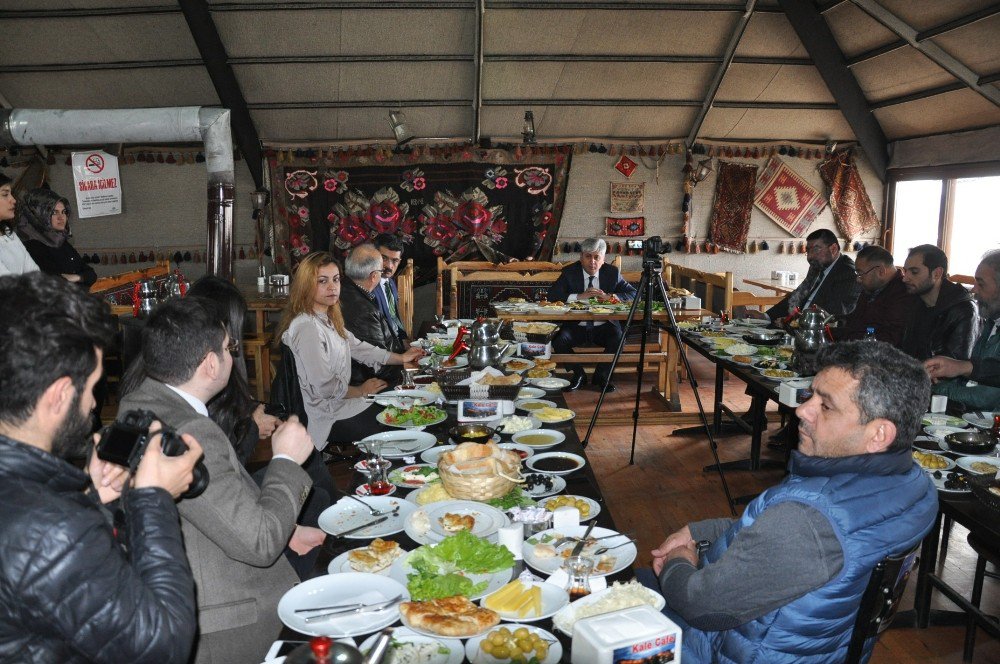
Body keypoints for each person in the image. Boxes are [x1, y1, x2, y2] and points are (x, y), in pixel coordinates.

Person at [642, 341, 938, 663]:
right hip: (820, 649)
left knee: (604, 593)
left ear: (879, 435)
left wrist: (679, 560)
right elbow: (787, 542)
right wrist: (701, 532)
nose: (801, 410)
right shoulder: (917, 488)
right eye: (812, 394)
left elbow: (701, 606)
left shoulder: (806, 522)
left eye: (826, 406)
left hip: (727, 650)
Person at [0, 272, 201, 662]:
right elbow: (164, 645)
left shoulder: (39, 512)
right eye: (92, 387)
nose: (94, 404)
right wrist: (152, 499)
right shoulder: (49, 529)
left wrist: (95, 502)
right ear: (59, 394)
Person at [118, 296, 324, 664]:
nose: (235, 354)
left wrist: (288, 529)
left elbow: (209, 506)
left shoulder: (140, 404)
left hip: (193, 590)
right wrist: (286, 461)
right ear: (211, 364)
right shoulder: (192, 430)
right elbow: (260, 543)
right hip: (232, 624)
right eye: (230, 347)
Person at [275, 251, 423, 447]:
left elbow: (360, 348)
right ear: (305, 285)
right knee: (402, 418)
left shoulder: (327, 318)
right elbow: (325, 387)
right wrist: (361, 390)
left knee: (404, 403)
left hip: (341, 404)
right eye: (322, 281)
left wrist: (401, 358)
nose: (332, 287)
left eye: (336, 280)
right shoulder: (307, 327)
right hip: (328, 416)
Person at [548, 238, 637, 392]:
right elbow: (552, 296)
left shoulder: (612, 273)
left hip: (603, 325)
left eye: (597, 257)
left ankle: (602, 375)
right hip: (577, 326)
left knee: (619, 337)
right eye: (588, 256)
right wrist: (578, 297)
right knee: (558, 339)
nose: (592, 262)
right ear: (581, 258)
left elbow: (634, 294)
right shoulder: (569, 272)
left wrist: (611, 297)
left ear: (603, 260)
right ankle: (578, 374)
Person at [925, 249, 1000, 410]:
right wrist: (946, 372)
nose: (974, 290)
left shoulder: (967, 311)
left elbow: (987, 398)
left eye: (981, 283)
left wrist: (934, 388)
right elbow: (970, 377)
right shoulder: (991, 322)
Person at [758, 228, 860, 324]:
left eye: (816, 250)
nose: (810, 256)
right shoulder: (817, 266)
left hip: (816, 332)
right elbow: (796, 296)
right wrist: (766, 316)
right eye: (808, 251)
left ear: (833, 249)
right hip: (797, 325)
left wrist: (794, 321)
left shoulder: (848, 274)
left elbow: (833, 315)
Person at [900, 243, 979, 361]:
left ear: (937, 273)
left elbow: (956, 368)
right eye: (905, 271)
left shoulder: (963, 310)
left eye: (914, 272)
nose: (905, 278)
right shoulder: (915, 301)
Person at [340, 243, 406, 386]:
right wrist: (409, 371)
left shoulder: (344, 290)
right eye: (381, 270)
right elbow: (379, 367)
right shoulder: (364, 309)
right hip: (368, 383)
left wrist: (403, 358)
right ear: (374, 276)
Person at [832, 244, 915, 345]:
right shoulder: (872, 287)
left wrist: (845, 337)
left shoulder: (903, 294)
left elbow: (891, 339)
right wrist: (831, 322)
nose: (858, 279)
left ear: (880, 271)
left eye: (860, 273)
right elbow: (856, 320)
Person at [16, 187, 97, 288]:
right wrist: (81, 277)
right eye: (54, 212)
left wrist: (75, 277)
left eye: (63, 212)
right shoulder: (33, 246)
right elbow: (54, 283)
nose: (61, 217)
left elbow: (91, 275)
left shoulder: (60, 241)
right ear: (38, 214)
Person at [0, 173, 39, 276]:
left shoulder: (7, 231)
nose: (13, 200)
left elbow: (34, 273)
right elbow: (7, 285)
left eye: (11, 194)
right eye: (5, 194)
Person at [373, 232, 408, 340]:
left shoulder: (391, 283)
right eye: (384, 258)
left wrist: (405, 340)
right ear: (374, 255)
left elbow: (394, 319)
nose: (389, 266)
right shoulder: (369, 285)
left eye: (395, 260)